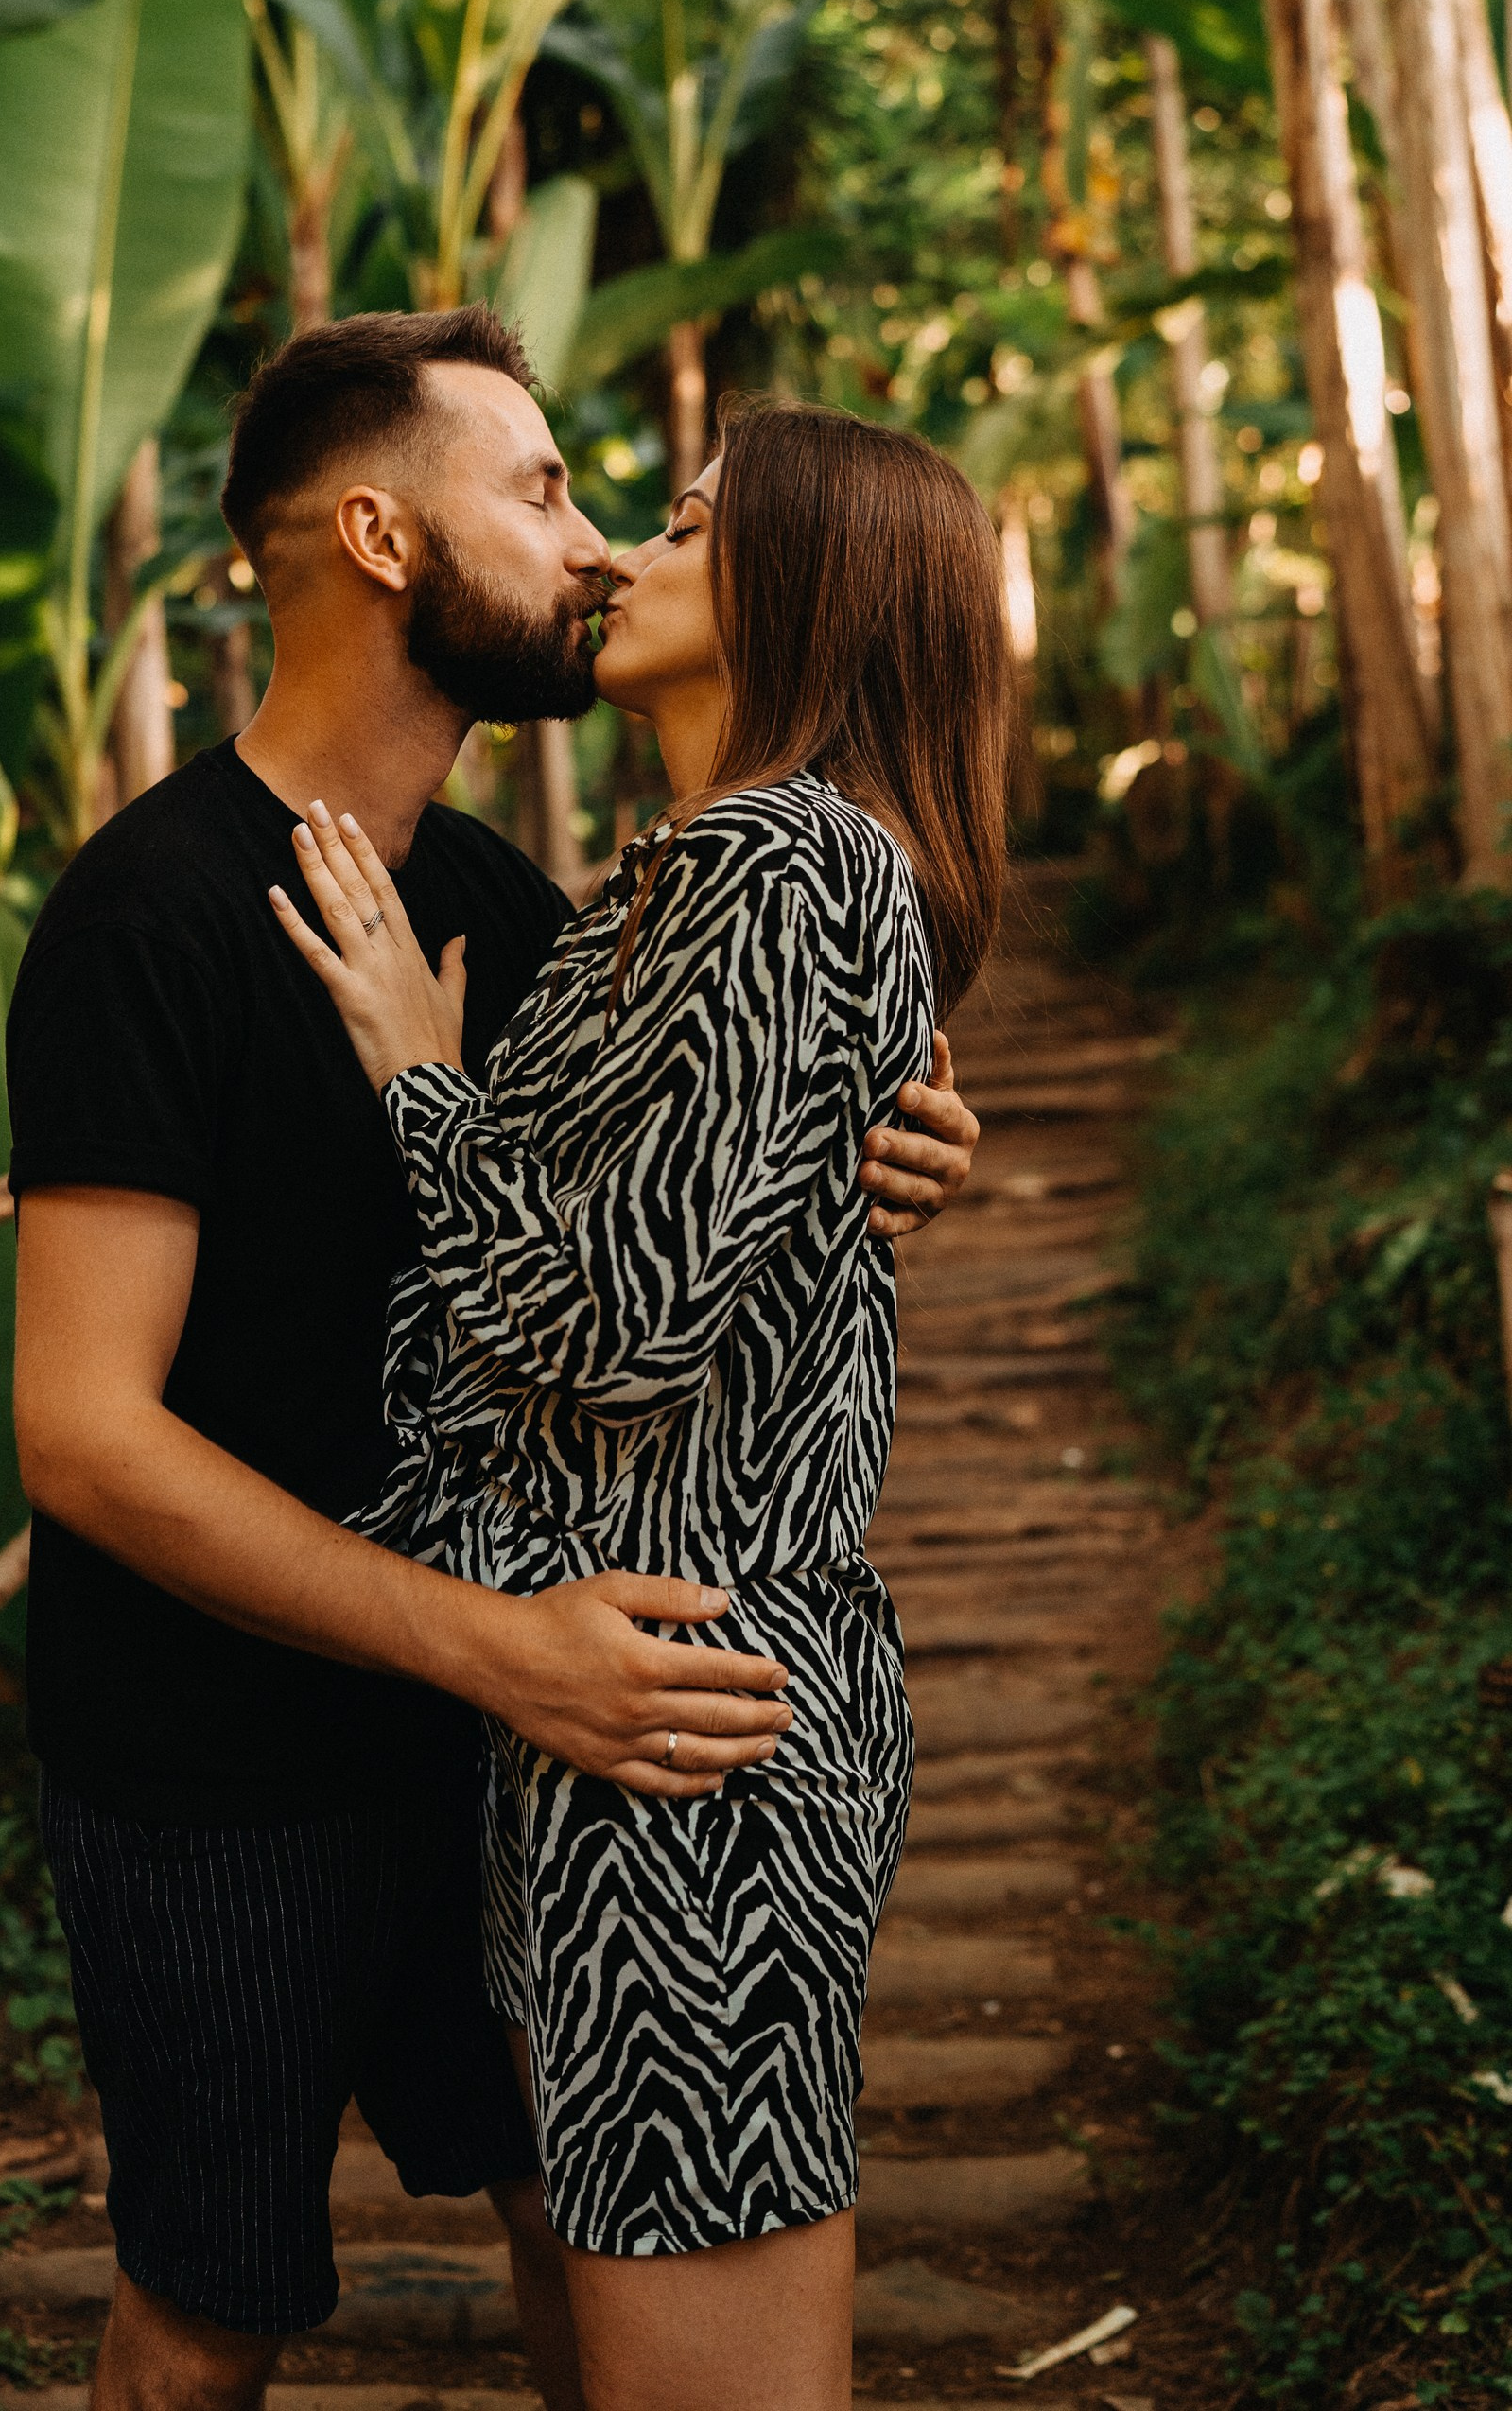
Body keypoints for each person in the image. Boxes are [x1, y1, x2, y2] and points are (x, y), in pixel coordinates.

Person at [8, 311, 983, 2411]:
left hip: (550, 1719)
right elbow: (81, 1439)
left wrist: (883, 1136)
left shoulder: (519, 901)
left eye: (638, 508)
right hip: (229, 1759)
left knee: (581, 2210)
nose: (599, 540)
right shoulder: (150, 915)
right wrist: (482, 1642)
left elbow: (662, 1222)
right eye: (543, 491)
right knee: (212, 2306)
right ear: (378, 532)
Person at [271, 393, 1010, 2411]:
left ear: (800, 585)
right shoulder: (666, 889)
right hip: (630, 1701)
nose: (610, 554)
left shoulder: (781, 871)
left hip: (697, 1724)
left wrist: (422, 1074)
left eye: (679, 526)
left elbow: (608, 1322)